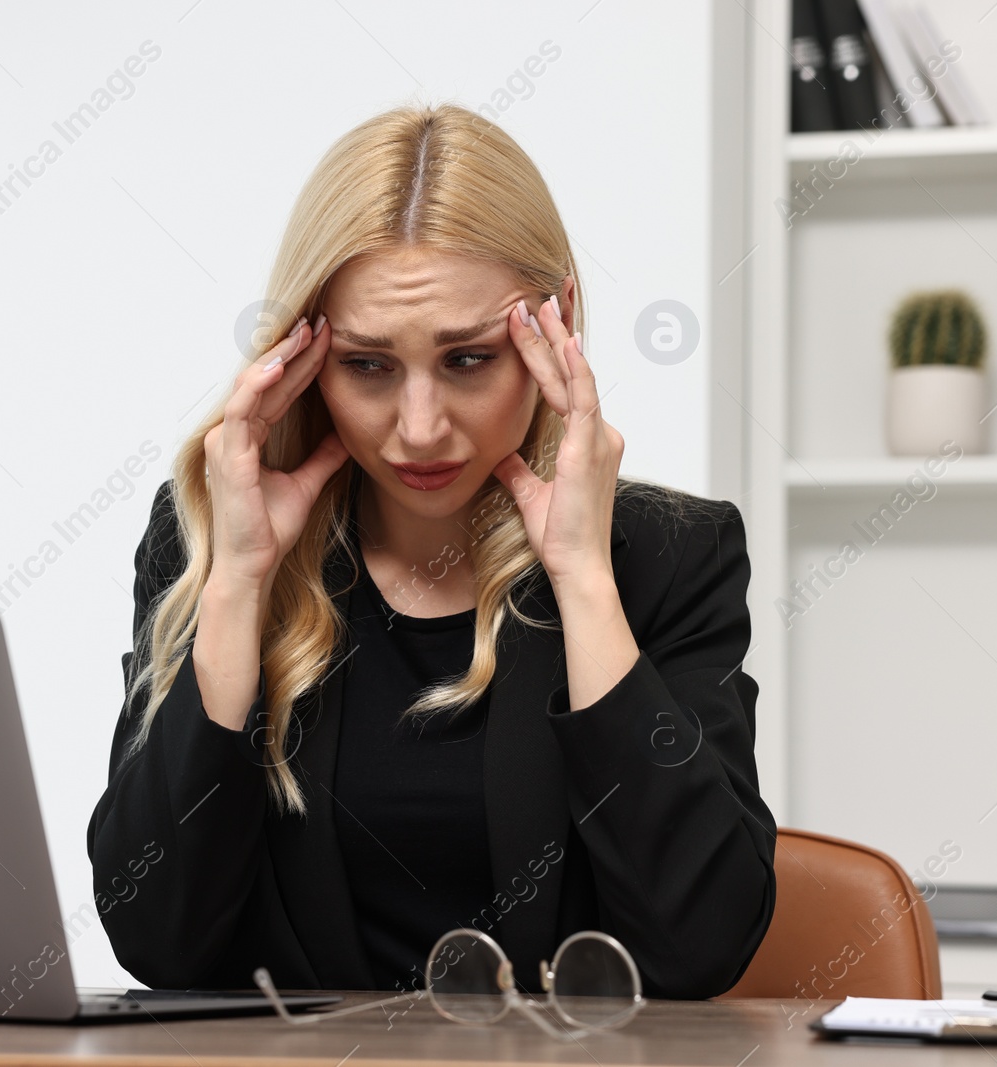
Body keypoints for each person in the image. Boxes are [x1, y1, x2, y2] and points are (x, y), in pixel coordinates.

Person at [85, 101, 776, 1001]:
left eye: (468, 360)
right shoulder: (212, 538)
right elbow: (155, 937)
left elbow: (704, 943)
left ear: (555, 326)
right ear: (302, 354)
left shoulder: (667, 556)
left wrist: (583, 581)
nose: (419, 429)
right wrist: (238, 584)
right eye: (368, 365)